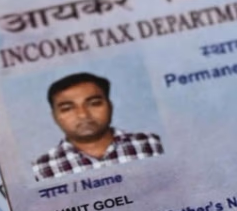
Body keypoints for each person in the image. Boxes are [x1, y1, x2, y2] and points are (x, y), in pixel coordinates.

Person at [32, 72, 163, 180]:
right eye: (67, 108)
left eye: (94, 103)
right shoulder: (41, 170)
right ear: (55, 116)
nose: (83, 114)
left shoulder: (152, 144)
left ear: (110, 106)